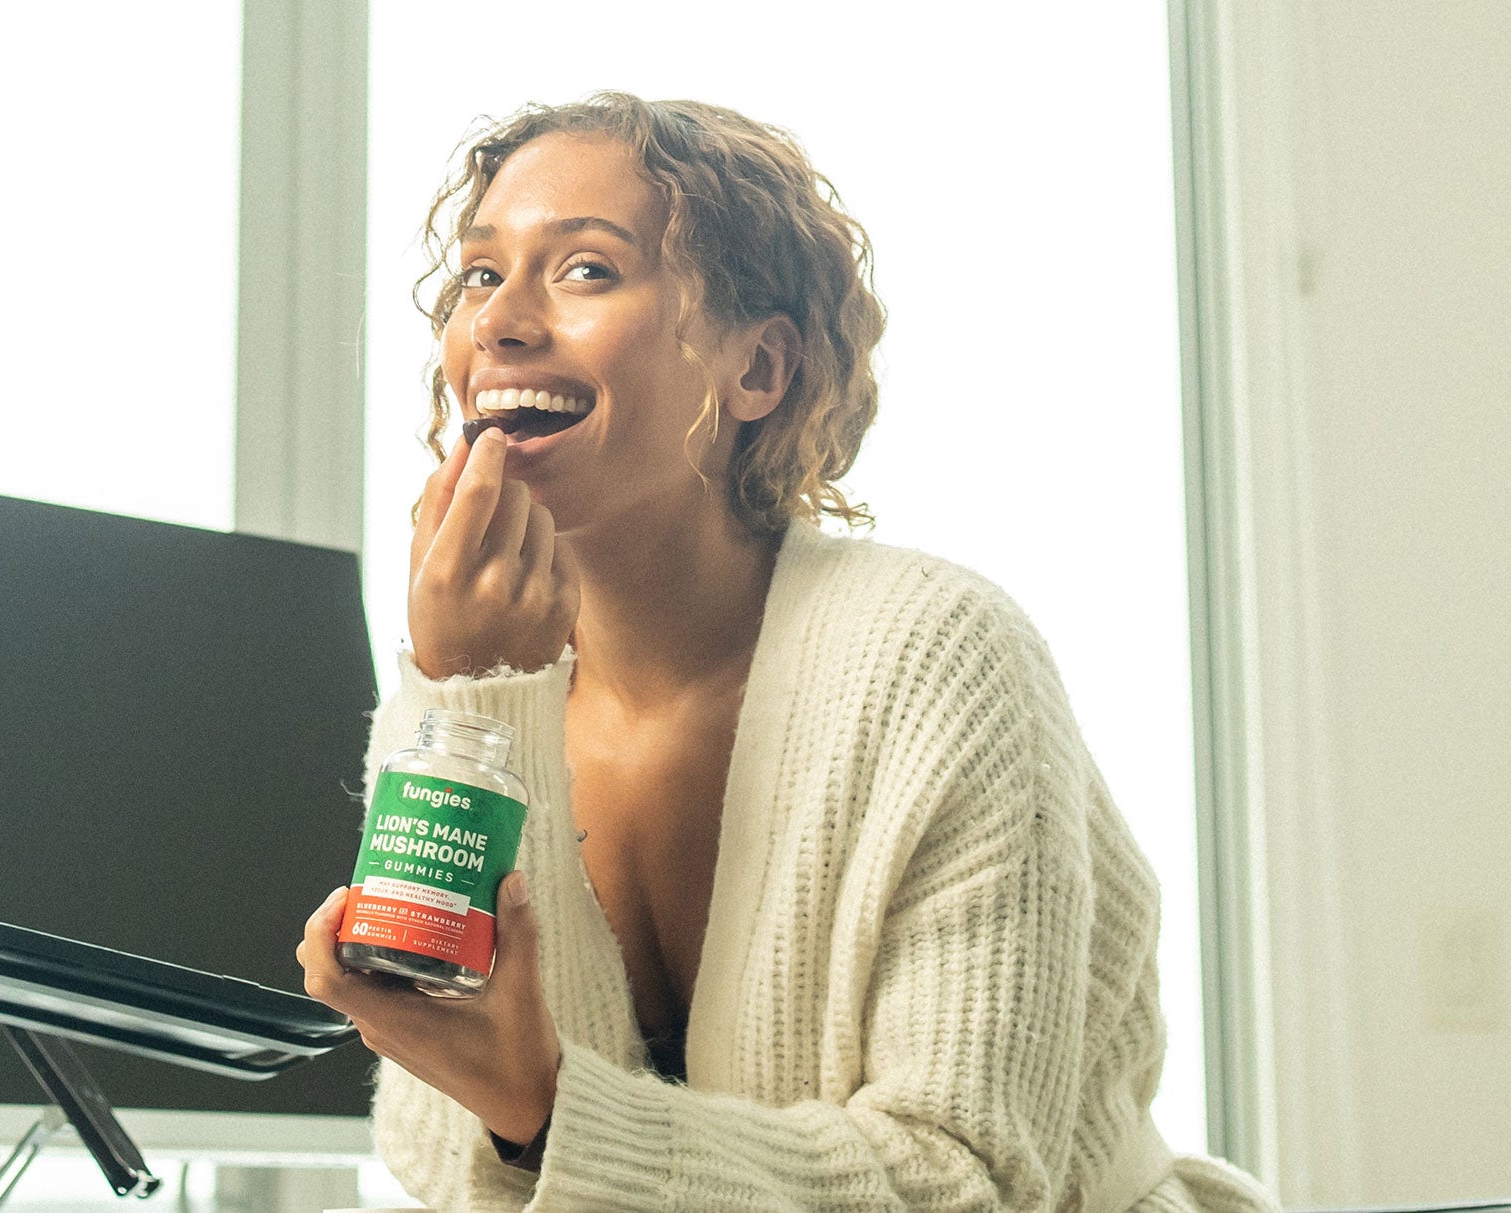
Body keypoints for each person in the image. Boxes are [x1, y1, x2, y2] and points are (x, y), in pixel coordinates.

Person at [297, 91, 1276, 1211]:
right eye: (480, 275)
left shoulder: (939, 655)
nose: (500, 324)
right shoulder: (476, 668)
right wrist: (469, 699)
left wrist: (550, 1107)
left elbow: (967, 1181)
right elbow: (447, 1159)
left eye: (584, 271)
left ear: (756, 370)